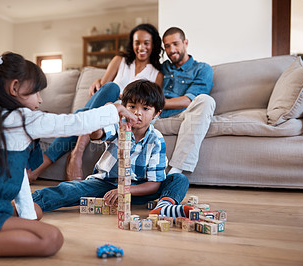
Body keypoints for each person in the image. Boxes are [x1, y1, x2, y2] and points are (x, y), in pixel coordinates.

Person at [0, 52, 137, 256]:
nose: (40, 100)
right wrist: (113, 110)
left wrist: (28, 217)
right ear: (14, 88)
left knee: (35, 213)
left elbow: (18, 175)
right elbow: (72, 123)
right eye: (37, 92)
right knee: (51, 239)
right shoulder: (21, 119)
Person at [32, 80, 193, 220]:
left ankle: (164, 207)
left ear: (157, 113)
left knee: (178, 179)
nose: (137, 112)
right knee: (70, 189)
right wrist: (104, 115)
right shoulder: (118, 126)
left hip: (138, 191)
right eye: (132, 106)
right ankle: (29, 202)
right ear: (124, 108)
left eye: (145, 108)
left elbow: (154, 184)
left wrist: (124, 190)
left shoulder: (156, 139)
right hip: (105, 184)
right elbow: (97, 133)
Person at [29, 23, 164, 182]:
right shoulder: (119, 60)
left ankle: (66, 157)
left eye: (146, 43)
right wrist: (104, 87)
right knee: (112, 88)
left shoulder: (157, 73)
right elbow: (104, 89)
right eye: (137, 42)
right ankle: (75, 153)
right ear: (132, 44)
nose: (141, 47)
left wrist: (125, 100)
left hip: (124, 114)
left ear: (153, 44)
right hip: (105, 108)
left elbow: (152, 102)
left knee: (81, 114)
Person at [154, 27, 216, 174]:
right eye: (167, 46)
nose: (172, 50)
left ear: (185, 42)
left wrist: (157, 103)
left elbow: (189, 100)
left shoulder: (202, 69)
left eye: (175, 44)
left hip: (185, 114)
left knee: (206, 101)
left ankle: (176, 170)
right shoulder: (161, 69)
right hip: (156, 113)